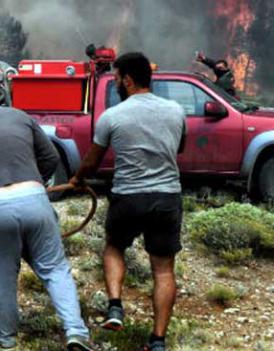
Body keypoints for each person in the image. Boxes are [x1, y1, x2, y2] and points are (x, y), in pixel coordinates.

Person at [0, 81, 94, 351]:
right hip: (35, 199)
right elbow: (50, 158)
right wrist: (35, 183)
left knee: (1, 276)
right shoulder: (21, 116)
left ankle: (6, 342)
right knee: (55, 269)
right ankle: (75, 332)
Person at [71, 52, 186, 351]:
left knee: (113, 247)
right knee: (163, 270)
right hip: (166, 197)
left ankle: (114, 307)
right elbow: (180, 147)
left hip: (129, 196)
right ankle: (158, 340)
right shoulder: (175, 110)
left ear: (129, 79)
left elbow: (92, 161)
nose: (117, 82)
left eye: (118, 77)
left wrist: (77, 179)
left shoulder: (113, 116)